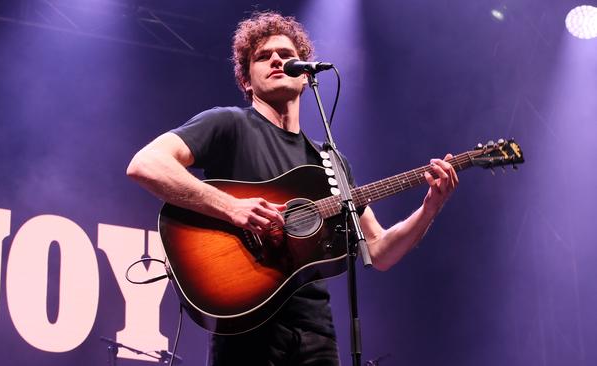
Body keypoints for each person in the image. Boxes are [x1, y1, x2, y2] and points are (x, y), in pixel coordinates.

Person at [127, 11, 458, 366]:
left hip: (316, 332)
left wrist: (429, 209)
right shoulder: (228, 124)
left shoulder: (330, 159)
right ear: (246, 81)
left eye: (286, 55)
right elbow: (146, 164)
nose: (277, 60)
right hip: (246, 324)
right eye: (263, 57)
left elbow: (379, 251)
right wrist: (232, 207)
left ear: (304, 79)